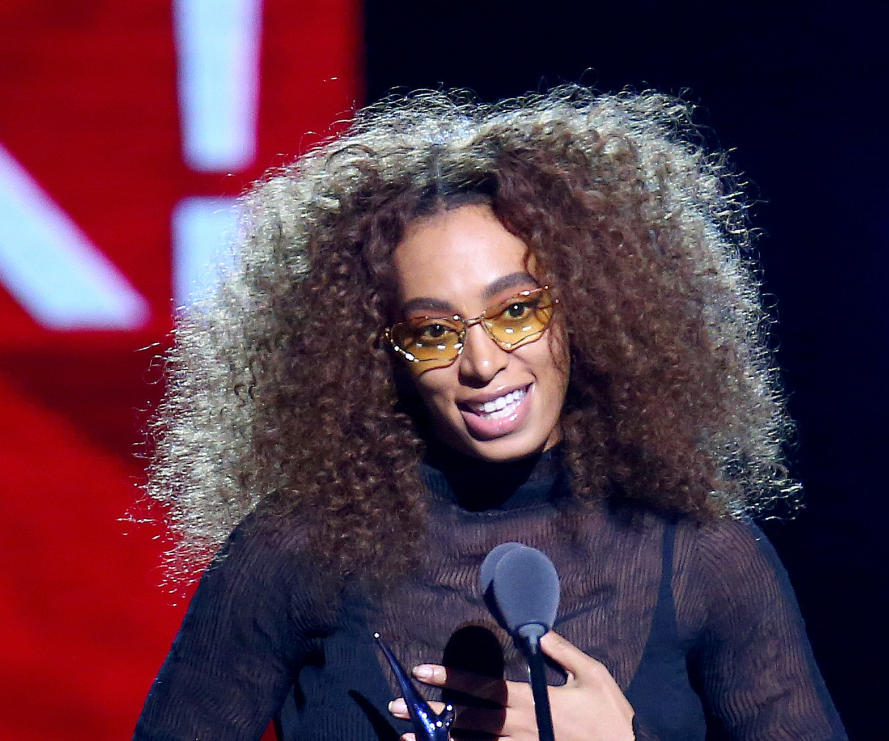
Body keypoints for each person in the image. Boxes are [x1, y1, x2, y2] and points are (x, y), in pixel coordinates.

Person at [133, 87, 847, 740]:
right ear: (377, 353)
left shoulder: (701, 553)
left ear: (588, 306)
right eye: (433, 330)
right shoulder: (294, 547)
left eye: (515, 311)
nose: (481, 361)